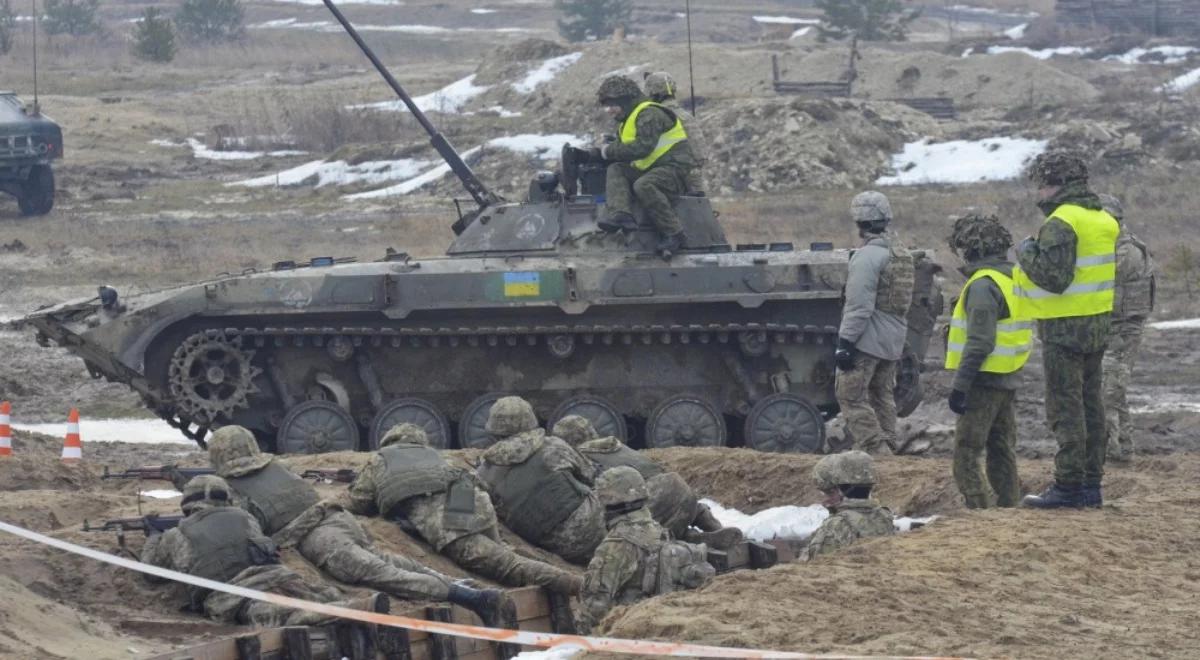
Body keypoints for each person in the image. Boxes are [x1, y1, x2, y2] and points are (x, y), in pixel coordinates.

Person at [202, 425, 509, 625]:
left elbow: (247, 530)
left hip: (321, 538)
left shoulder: (232, 488)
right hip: (340, 519)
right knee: (387, 560)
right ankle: (455, 584)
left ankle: (469, 598)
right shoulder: (276, 468)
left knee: (382, 574)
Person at [344, 422, 582, 596]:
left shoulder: (380, 458)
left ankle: (578, 585)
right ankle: (561, 576)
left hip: (450, 516)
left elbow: (360, 501)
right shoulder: (436, 456)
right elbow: (468, 484)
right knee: (502, 555)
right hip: (472, 501)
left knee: (504, 565)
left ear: (389, 442)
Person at [141, 474, 388, 627]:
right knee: (318, 593)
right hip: (277, 576)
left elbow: (150, 571)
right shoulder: (245, 517)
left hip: (234, 594)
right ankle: (353, 605)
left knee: (281, 616)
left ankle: (343, 612)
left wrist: (153, 535)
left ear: (187, 503)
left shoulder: (177, 534)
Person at [1015, 152, 1119, 508]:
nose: (1039, 193)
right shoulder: (1103, 218)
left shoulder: (1062, 222)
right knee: (1092, 406)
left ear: (1057, 184)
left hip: (1065, 330)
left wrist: (1026, 251)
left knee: (1066, 408)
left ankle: (1068, 487)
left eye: (1042, 185)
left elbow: (1054, 278)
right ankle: (1091, 486)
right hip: (1097, 325)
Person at [550, 415, 742, 549]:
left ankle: (685, 541)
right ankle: (708, 531)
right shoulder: (616, 446)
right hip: (681, 493)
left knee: (629, 523)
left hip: (652, 503)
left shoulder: (583, 457)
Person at [944, 213, 1029, 508]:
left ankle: (979, 511)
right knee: (1002, 448)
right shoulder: (1015, 278)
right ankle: (1009, 506)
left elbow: (980, 342)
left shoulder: (983, 284)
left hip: (983, 380)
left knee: (966, 452)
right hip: (1008, 377)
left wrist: (960, 386)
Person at [578, 467, 715, 634]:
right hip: (661, 625)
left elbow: (594, 607)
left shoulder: (615, 545)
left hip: (628, 632)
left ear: (607, 502)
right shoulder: (659, 530)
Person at [476, 397, 605, 565]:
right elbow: (591, 475)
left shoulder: (484, 473)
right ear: (530, 420)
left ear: (493, 431)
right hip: (597, 530)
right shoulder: (553, 446)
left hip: (556, 548)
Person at [834, 191, 916, 454]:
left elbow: (859, 306)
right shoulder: (901, 253)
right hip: (893, 339)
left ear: (860, 221)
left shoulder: (867, 256)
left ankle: (878, 452)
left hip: (868, 339)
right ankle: (889, 446)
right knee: (882, 395)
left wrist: (845, 342)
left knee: (850, 395)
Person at [594, 74, 697, 257]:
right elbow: (623, 150)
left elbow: (642, 147)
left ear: (625, 101)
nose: (609, 111)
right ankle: (622, 215)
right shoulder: (628, 120)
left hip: (673, 169)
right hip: (652, 168)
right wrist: (598, 153)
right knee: (617, 169)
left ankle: (674, 233)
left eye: (612, 105)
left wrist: (607, 151)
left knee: (644, 184)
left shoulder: (649, 113)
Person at [1098, 193, 1155, 464]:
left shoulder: (1127, 250)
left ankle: (1115, 452)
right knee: (1112, 391)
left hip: (1122, 331)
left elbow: (1103, 276)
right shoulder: (1112, 246)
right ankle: (1120, 451)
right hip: (1112, 327)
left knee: (1110, 391)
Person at [804, 451, 895, 560]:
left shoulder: (836, 525)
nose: (824, 500)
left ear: (838, 490)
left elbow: (817, 566)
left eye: (828, 492)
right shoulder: (885, 516)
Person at [642, 71, 706, 195]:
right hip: (694, 180)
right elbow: (701, 155)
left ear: (651, 93)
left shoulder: (655, 117)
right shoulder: (687, 117)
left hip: (668, 181)